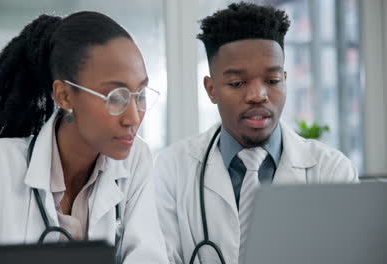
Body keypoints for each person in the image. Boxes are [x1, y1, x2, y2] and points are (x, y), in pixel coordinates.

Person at [0, 11, 168, 264]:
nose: (134, 118)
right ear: (64, 96)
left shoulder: (135, 159)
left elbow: (148, 256)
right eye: (116, 97)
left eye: (140, 95)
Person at [153, 3, 358, 264]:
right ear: (211, 89)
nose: (258, 96)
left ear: (285, 79)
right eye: (237, 83)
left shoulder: (332, 172)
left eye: (272, 81)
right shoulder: (172, 169)